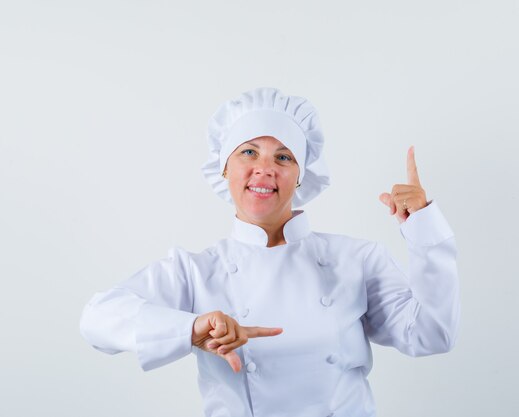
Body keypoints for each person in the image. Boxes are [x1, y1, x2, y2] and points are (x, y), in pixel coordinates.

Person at [79, 87, 460, 417]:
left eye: (283, 157)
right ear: (224, 168)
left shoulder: (356, 260)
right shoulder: (196, 272)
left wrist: (422, 225)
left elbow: (431, 334)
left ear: (302, 174)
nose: (264, 169)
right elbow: (97, 319)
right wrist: (190, 329)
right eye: (248, 152)